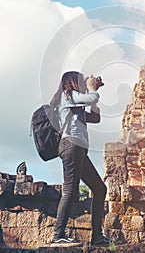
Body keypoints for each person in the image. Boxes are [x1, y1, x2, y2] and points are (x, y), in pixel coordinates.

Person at [50, 71, 110, 248]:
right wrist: (92, 89)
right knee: (70, 189)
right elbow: (90, 98)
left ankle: (97, 237)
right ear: (71, 82)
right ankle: (58, 235)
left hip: (80, 149)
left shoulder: (76, 104)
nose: (83, 82)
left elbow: (96, 117)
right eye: (80, 80)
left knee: (99, 189)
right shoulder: (67, 96)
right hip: (71, 145)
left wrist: (94, 93)